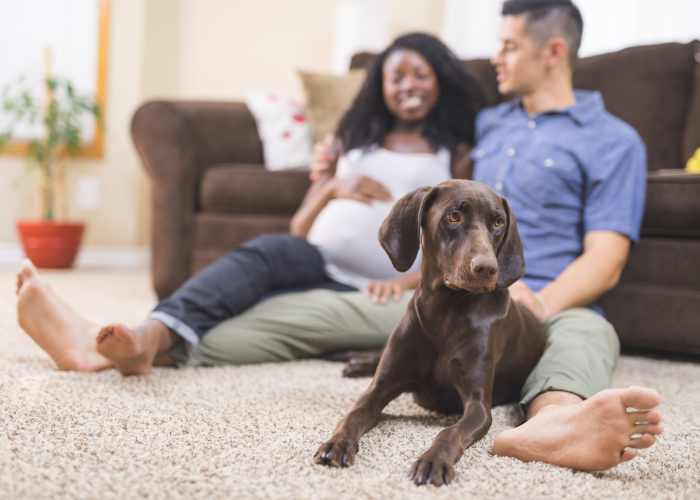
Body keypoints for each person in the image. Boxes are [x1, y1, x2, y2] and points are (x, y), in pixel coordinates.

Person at [183, 0, 664, 473]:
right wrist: (332, 161)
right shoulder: (485, 124)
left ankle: (557, 423)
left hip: (550, 303)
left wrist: (537, 301)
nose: (496, 57)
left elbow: (607, 260)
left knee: (588, 334)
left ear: (553, 51)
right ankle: (176, 340)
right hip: (440, 294)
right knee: (295, 315)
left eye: (509, 46)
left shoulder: (613, 141)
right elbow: (403, 123)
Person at [15, 32, 483, 374]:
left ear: (439, 81)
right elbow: (300, 227)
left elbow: (459, 240)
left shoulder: (455, 153)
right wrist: (331, 189)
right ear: (379, 85)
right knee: (257, 258)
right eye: (396, 77)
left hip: (375, 288)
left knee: (247, 319)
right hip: (313, 258)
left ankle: (100, 349)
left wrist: (403, 283)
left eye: (420, 75)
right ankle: (142, 338)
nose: (408, 86)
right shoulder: (352, 141)